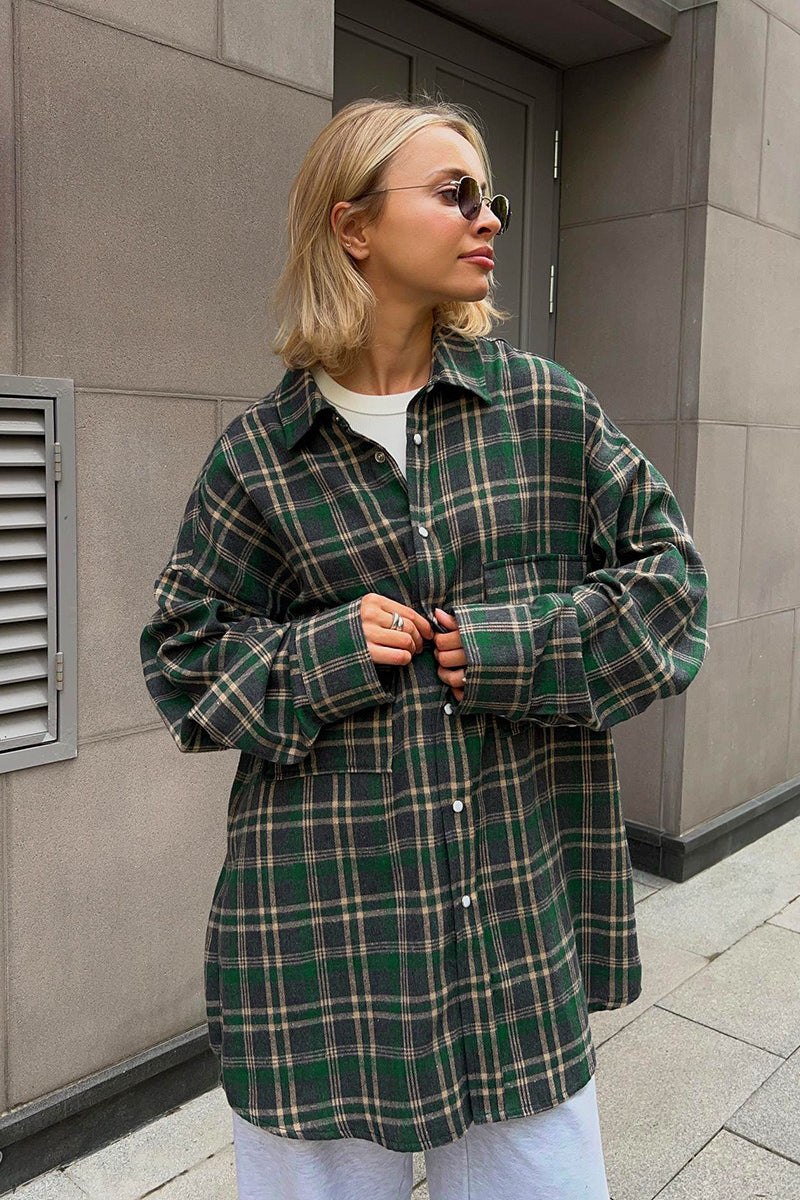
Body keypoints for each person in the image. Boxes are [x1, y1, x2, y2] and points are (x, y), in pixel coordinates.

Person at [139, 95, 709, 1199]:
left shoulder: (544, 412)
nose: (486, 217)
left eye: (491, 197)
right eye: (454, 194)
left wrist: (513, 647)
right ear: (353, 226)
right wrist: (324, 655)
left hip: (510, 930)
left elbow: (672, 592)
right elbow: (180, 659)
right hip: (322, 938)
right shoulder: (260, 458)